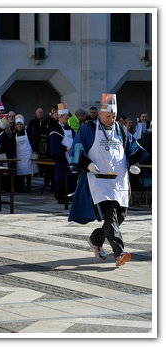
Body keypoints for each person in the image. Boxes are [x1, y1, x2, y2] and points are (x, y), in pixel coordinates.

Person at [68, 93, 148, 267]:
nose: (111, 120)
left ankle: (96, 239)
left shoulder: (121, 130)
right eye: (108, 116)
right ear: (100, 115)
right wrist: (87, 164)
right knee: (110, 214)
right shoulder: (88, 129)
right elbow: (75, 150)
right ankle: (119, 253)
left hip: (119, 181)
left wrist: (133, 164)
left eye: (113, 117)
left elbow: (131, 149)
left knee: (120, 217)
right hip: (99, 181)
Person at [49, 103, 77, 204]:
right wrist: (64, 148)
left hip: (71, 156)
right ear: (61, 117)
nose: (67, 118)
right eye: (66, 116)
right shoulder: (55, 129)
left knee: (71, 177)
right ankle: (60, 195)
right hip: (62, 156)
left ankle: (70, 195)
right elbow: (54, 143)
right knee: (61, 176)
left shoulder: (70, 129)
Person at [10, 115, 38, 193]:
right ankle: (21, 187)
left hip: (28, 153)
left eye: (21, 124)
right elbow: (12, 146)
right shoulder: (13, 135)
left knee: (28, 172)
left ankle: (28, 187)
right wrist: (13, 156)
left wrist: (35, 152)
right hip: (19, 155)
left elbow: (33, 142)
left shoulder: (28, 132)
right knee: (20, 171)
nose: (19, 126)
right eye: (18, 125)